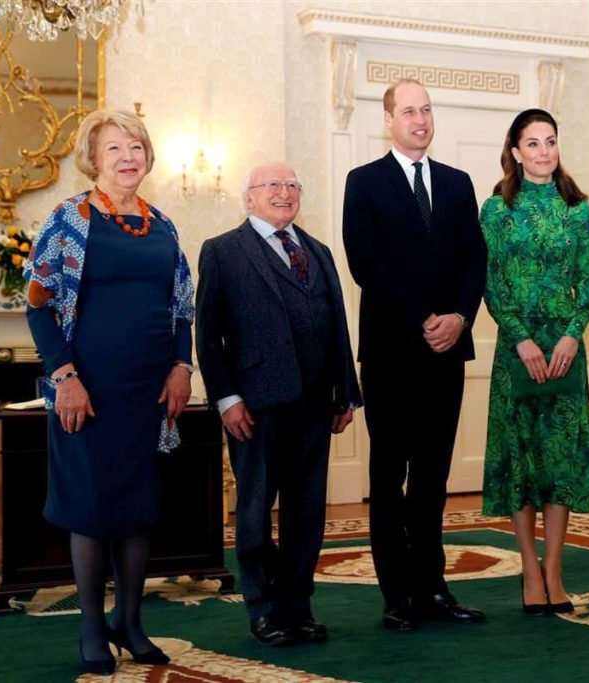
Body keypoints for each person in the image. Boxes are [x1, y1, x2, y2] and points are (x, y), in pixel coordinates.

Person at [23, 109, 194, 674]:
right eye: (115, 148)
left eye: (136, 146)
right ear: (94, 159)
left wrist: (181, 367)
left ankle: (130, 621)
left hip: (150, 388)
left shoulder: (162, 224)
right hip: (89, 388)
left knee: (139, 509)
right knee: (92, 508)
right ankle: (92, 628)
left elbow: (182, 309)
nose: (128, 156)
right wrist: (64, 376)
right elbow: (38, 304)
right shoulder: (69, 219)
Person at [342, 79, 488, 632]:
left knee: (433, 477)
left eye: (426, 110)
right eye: (409, 111)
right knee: (388, 474)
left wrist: (459, 317)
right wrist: (423, 316)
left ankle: (433, 587)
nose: (420, 119)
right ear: (388, 119)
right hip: (391, 351)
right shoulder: (365, 182)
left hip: (447, 352)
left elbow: (475, 261)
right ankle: (397, 595)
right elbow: (366, 262)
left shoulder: (457, 183)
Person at [195, 161, 361, 647]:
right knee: (254, 511)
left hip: (314, 406)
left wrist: (345, 391)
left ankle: (297, 606)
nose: (284, 192)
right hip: (255, 407)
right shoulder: (223, 252)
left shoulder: (319, 251)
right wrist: (227, 399)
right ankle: (264, 610)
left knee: (306, 514)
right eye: (272, 185)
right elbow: (207, 335)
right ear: (249, 198)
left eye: (292, 185)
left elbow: (337, 327)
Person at [480, 108, 589, 615]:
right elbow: (489, 283)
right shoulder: (495, 210)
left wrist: (572, 335)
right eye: (532, 143)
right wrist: (520, 339)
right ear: (515, 151)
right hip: (518, 352)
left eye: (550, 141)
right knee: (520, 462)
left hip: (564, 352)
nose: (543, 152)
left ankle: (554, 570)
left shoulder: (578, 210)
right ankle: (528, 570)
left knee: (559, 464)